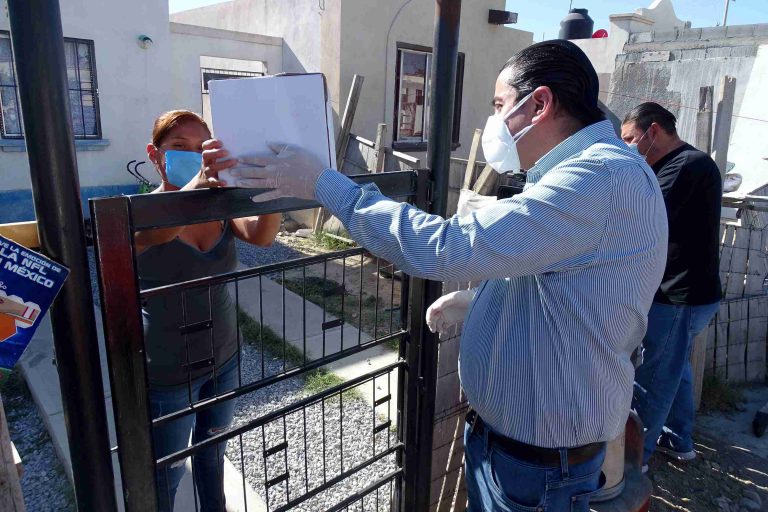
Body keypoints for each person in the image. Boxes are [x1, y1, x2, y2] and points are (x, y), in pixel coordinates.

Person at [221, 40, 668, 511]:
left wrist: (325, 184)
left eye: (500, 106)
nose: (494, 121)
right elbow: (568, 287)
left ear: (539, 104)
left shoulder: (596, 179)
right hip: (524, 458)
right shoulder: (588, 176)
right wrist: (480, 305)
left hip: (539, 470)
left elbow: (447, 249)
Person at [136, 110, 281, 512]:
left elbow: (262, 235)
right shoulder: (140, 212)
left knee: (212, 453)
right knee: (166, 473)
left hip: (224, 357)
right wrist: (199, 182)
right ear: (154, 154)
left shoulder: (217, 206)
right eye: (179, 148)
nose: (194, 156)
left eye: (202, 149)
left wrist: (273, 189)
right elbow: (158, 233)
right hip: (168, 371)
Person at [621, 102, 722, 471]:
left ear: (654, 132)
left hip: (678, 295)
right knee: (674, 366)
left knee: (653, 379)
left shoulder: (686, 166)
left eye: (630, 138)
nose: (628, 147)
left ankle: (635, 462)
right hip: (681, 293)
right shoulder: (668, 165)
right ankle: (679, 439)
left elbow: (639, 216)